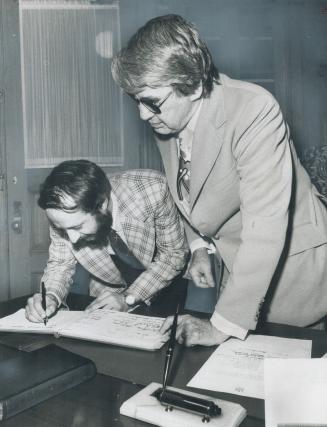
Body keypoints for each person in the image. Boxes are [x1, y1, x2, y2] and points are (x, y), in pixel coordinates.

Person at [112, 14, 327, 346]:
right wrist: (200, 245)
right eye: (136, 100)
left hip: (294, 277)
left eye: (152, 102)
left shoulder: (254, 110)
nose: (142, 114)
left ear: (195, 86)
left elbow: (266, 226)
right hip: (239, 272)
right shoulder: (168, 118)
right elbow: (189, 191)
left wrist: (221, 326)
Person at [25, 160, 188, 322]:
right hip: (108, 294)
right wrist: (51, 296)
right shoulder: (63, 216)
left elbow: (173, 254)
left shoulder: (152, 189)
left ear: (102, 204)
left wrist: (128, 298)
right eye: (62, 229)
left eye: (78, 226)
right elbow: (60, 264)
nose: (72, 239)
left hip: (167, 284)